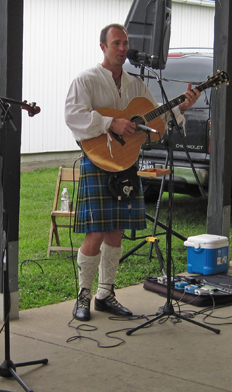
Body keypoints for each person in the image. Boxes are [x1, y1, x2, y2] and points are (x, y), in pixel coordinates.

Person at [64, 24, 200, 321]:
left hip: (126, 161)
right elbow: (73, 115)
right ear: (103, 47)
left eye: (125, 43)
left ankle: (105, 293)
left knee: (116, 229)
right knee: (96, 230)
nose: (122, 48)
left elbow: (156, 117)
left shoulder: (136, 84)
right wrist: (109, 123)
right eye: (116, 43)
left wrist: (182, 108)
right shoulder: (86, 80)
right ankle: (83, 295)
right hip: (97, 159)